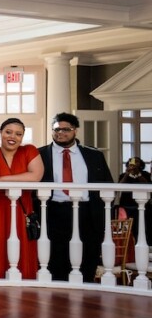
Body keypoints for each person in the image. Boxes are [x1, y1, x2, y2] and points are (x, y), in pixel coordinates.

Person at [37, 112, 114, 281]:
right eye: (57, 129)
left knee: (88, 257)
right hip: (54, 212)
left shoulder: (94, 155)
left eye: (66, 129)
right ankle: (57, 298)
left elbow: (108, 185)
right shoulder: (40, 154)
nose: (61, 133)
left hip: (87, 213)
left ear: (75, 131)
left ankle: (86, 293)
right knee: (55, 259)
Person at [0, 117, 44, 279]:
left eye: (18, 134)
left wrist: (1, 180)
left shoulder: (29, 150)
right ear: (0, 133)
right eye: (8, 132)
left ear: (22, 137)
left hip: (21, 208)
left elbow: (35, 176)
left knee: (21, 246)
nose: (12, 137)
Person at [117, 157, 151, 246]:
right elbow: (119, 186)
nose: (135, 164)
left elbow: (147, 185)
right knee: (126, 229)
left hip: (142, 206)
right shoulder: (123, 175)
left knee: (142, 227)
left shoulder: (145, 174)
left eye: (137, 162)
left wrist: (139, 174)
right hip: (126, 205)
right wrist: (127, 174)